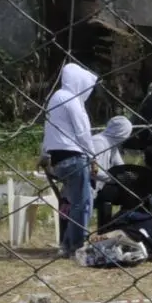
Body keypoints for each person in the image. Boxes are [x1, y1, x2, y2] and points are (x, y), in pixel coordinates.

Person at [41, 61, 102, 258]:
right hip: (75, 158)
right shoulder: (72, 100)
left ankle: (66, 242)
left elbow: (48, 130)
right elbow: (83, 132)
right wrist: (93, 157)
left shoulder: (55, 98)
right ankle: (75, 244)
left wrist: (44, 154)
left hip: (57, 160)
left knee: (70, 202)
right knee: (82, 204)